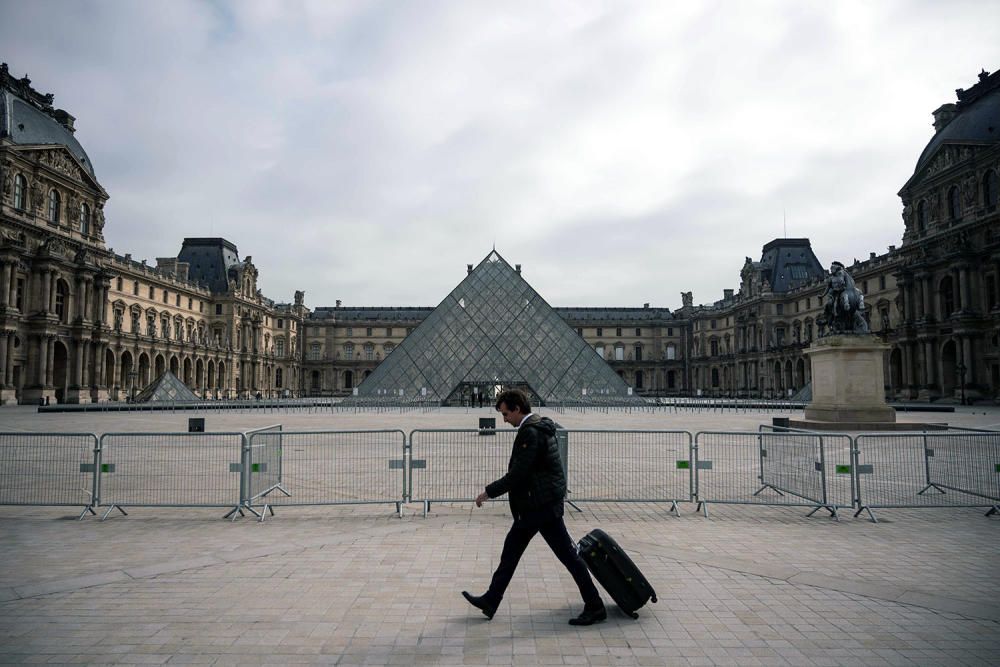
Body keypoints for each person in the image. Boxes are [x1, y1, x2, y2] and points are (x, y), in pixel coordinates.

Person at [462, 388, 606, 625]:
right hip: (539, 504)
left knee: (568, 557)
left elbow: (518, 474)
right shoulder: (538, 426)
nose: (504, 420)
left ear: (517, 409)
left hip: (539, 507)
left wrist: (487, 492)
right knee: (513, 552)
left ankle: (595, 606)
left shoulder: (531, 432)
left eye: (505, 414)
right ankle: (491, 599)